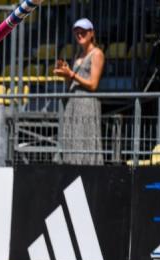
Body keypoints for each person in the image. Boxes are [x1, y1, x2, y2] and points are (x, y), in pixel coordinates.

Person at [53, 18, 105, 165]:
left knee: (85, 139)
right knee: (72, 138)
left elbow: (93, 84)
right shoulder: (78, 56)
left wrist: (72, 74)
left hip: (87, 104)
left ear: (91, 33)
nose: (79, 35)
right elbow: (72, 82)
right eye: (77, 33)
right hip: (73, 103)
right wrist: (66, 75)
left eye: (83, 32)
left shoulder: (97, 54)